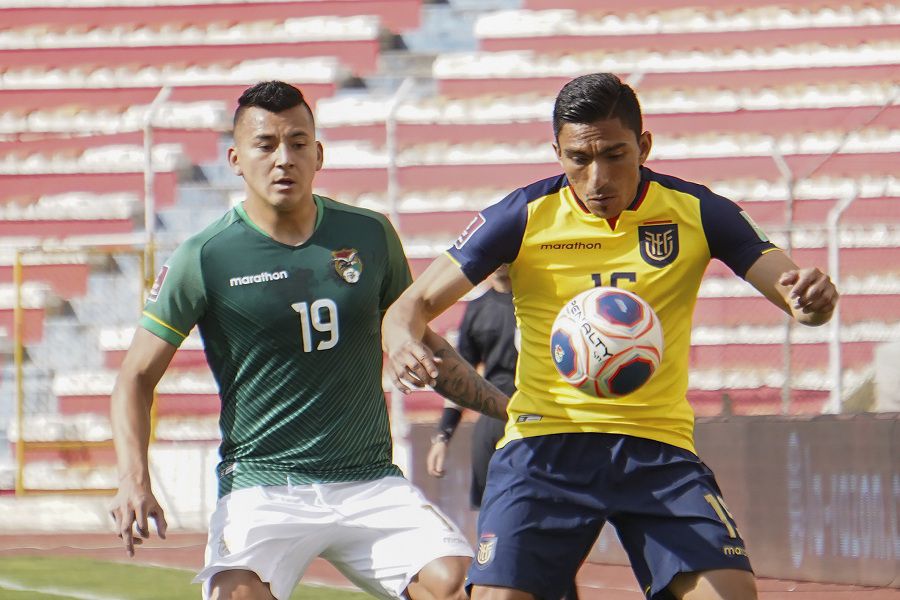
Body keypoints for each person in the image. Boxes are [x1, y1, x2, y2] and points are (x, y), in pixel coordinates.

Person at [382, 73, 839, 600]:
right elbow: (409, 306)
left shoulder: (698, 210)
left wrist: (812, 301)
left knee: (730, 594)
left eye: (615, 155)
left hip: (656, 448)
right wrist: (402, 338)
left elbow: (794, 296)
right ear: (557, 152)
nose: (597, 176)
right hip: (543, 445)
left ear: (644, 146)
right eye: (578, 158)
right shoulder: (521, 215)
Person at [108, 80, 509, 600]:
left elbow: (424, 343)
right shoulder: (204, 257)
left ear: (318, 154)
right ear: (235, 158)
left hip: (368, 480)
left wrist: (509, 408)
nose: (283, 159)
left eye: (298, 143)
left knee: (457, 585)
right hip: (263, 485)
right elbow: (134, 378)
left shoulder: (369, 234)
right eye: (265, 144)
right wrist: (133, 478)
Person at [427, 265, 514, 509]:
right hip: (494, 422)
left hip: (541, 421)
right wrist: (443, 436)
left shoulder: (541, 302)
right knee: (491, 512)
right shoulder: (477, 309)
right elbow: (460, 376)